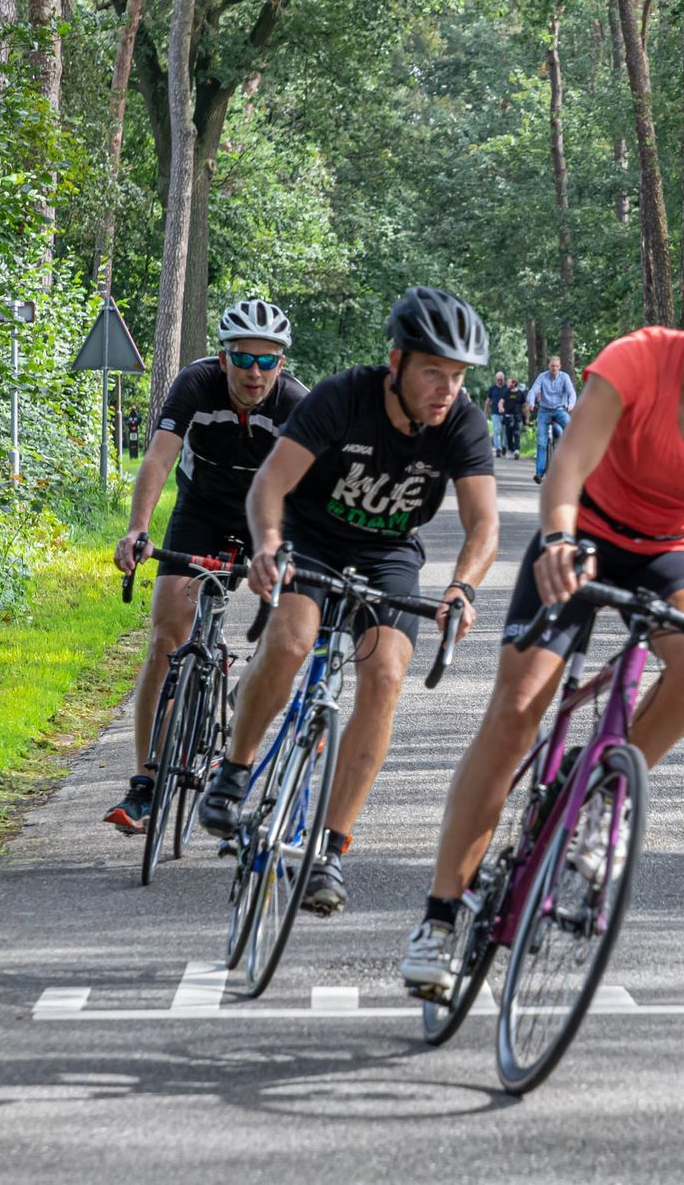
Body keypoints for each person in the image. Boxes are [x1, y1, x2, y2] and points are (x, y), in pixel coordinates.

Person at [400, 225, 684, 995]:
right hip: (584, 533)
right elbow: (569, 463)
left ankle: (603, 804)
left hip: (670, 549)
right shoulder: (639, 357)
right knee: (518, 707)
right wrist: (556, 536)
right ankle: (439, 919)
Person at [196, 287, 500, 917]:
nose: (446, 388)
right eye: (433, 372)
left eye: (458, 375)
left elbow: (484, 525)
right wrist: (268, 546)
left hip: (390, 552)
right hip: (311, 539)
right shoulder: (344, 396)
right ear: (396, 364)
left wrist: (462, 586)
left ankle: (330, 847)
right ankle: (234, 770)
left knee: (386, 675)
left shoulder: (463, 423)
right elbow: (270, 484)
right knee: (289, 640)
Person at [106, 299, 309, 834]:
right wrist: (137, 528)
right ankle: (146, 782)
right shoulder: (195, 383)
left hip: (266, 519)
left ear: (281, 364)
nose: (255, 373)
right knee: (167, 633)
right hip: (200, 511)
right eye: (244, 359)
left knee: (286, 634)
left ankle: (241, 707)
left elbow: (311, 490)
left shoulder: (295, 403)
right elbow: (158, 458)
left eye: (268, 362)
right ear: (224, 358)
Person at [527, 354, 576, 482]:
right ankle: (539, 473)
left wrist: (571, 404)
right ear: (548, 366)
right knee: (542, 442)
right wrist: (531, 402)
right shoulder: (542, 377)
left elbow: (571, 393)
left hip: (560, 410)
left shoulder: (565, 377)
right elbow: (533, 391)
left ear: (560, 367)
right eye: (552, 366)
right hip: (544, 411)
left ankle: (572, 466)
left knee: (571, 431)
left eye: (556, 366)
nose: (554, 368)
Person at [485, 371, 510, 457]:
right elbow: (488, 401)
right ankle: (498, 449)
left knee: (505, 431)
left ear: (504, 379)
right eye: (498, 379)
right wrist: (485, 412)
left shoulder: (507, 388)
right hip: (495, 412)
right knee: (496, 431)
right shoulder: (492, 388)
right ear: (496, 379)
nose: (500, 381)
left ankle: (503, 446)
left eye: (501, 379)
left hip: (506, 412)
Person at [502, 375, 527, 456]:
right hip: (508, 416)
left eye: (509, 382)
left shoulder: (521, 393)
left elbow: (525, 406)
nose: (507, 384)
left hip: (518, 416)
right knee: (508, 433)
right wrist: (501, 407)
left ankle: (516, 450)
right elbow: (501, 402)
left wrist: (527, 417)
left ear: (514, 383)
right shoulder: (506, 392)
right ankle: (510, 450)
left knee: (517, 433)